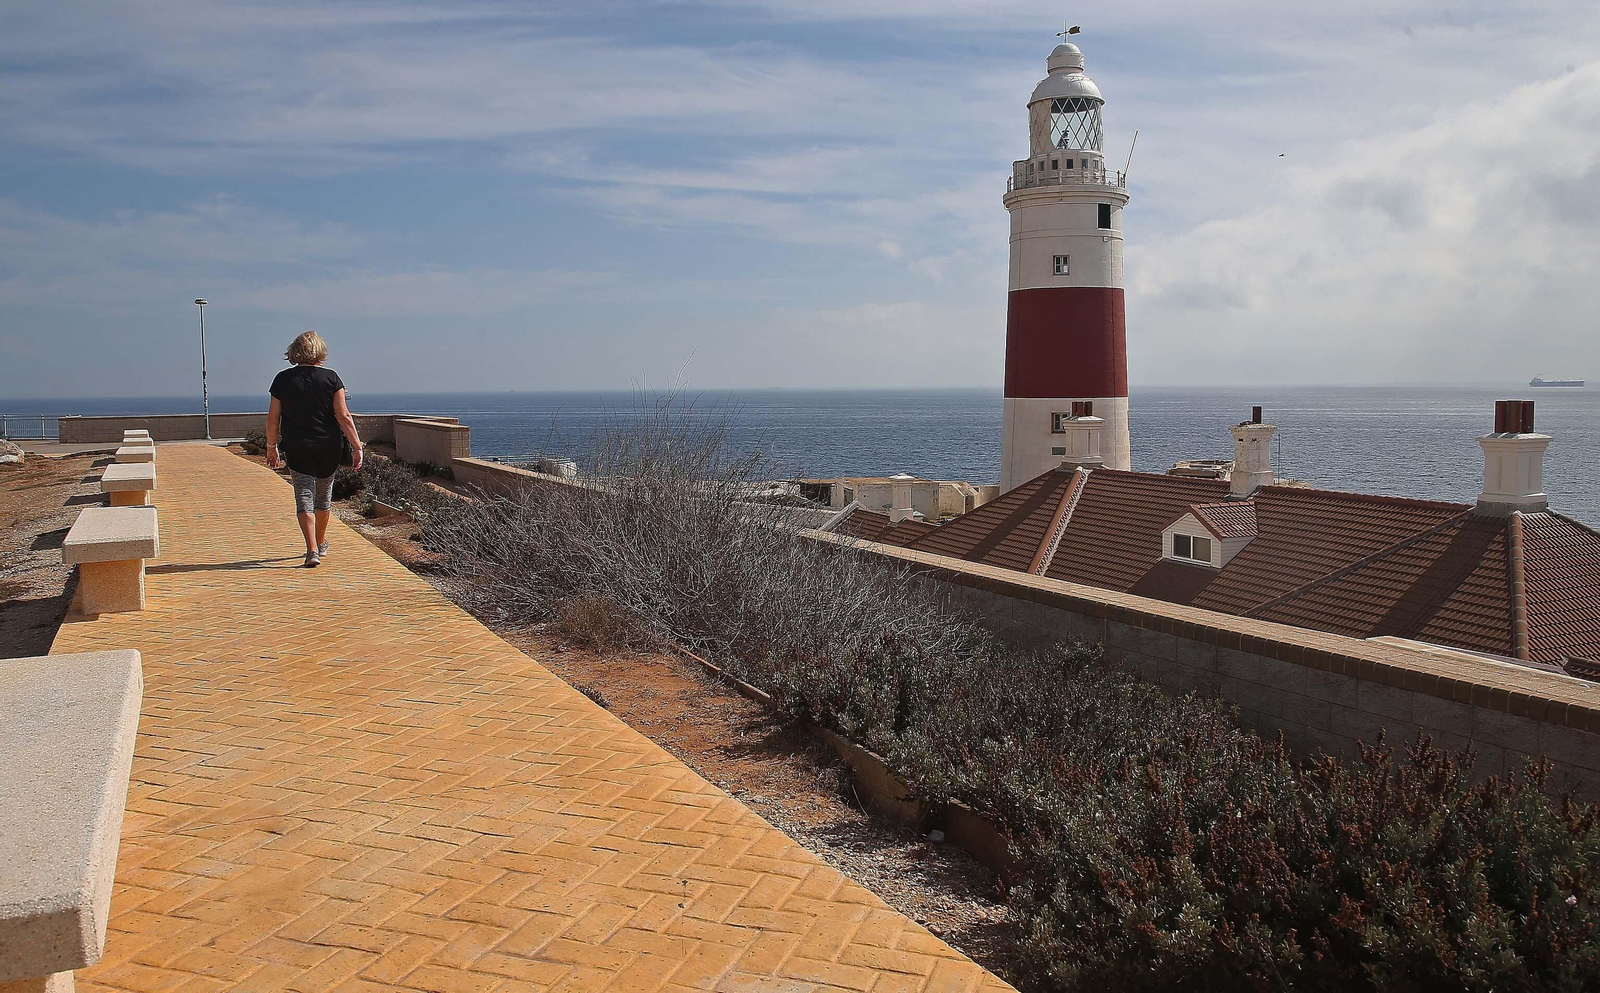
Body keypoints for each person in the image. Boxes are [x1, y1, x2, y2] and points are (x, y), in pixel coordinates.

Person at [265, 331, 364, 568]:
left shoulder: (282, 380)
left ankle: (311, 549)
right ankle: (319, 544)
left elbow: (272, 420)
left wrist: (271, 447)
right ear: (320, 351)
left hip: (297, 447)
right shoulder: (331, 379)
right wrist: (356, 446)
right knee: (323, 496)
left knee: (304, 496)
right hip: (328, 446)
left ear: (294, 352)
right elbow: (343, 416)